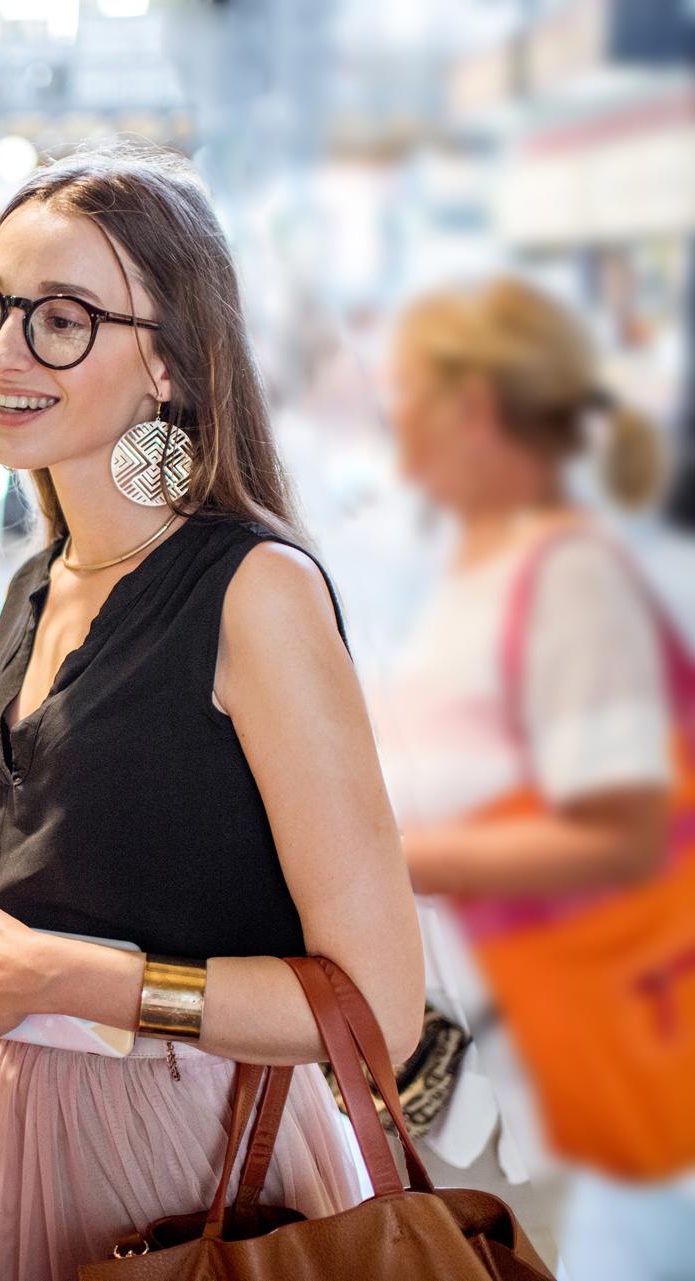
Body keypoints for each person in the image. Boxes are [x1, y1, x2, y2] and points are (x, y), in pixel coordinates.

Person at [0, 142, 424, 1281]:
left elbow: (376, 1007)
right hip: (13, 1127)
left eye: (62, 319)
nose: (4, 352)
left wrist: (57, 975)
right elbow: (148, 860)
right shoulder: (41, 579)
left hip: (187, 1166)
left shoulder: (255, 593)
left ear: (169, 365)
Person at [375, 276, 692, 1279]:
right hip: (482, 1062)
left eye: (408, 394)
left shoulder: (572, 580)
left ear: (473, 409)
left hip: (546, 1076)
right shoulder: (476, 564)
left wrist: (392, 859)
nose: (393, 422)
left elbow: (621, 833)